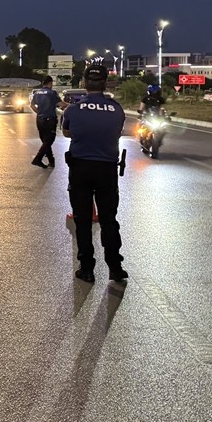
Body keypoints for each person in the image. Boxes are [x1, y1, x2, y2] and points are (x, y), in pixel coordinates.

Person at [61, 63, 127, 283]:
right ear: (105, 83)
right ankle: (115, 267)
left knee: (82, 220)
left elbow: (66, 132)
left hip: (80, 168)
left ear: (84, 82)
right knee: (108, 219)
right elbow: (117, 132)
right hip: (107, 169)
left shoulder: (73, 109)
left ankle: (87, 268)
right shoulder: (117, 109)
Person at [30, 75, 62, 169]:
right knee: (49, 140)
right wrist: (71, 106)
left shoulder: (37, 93)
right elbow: (60, 104)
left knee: (45, 141)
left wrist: (39, 112)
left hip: (40, 119)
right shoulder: (52, 93)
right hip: (50, 120)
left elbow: (32, 105)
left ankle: (51, 161)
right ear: (50, 83)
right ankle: (38, 158)